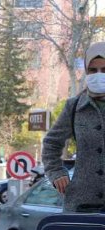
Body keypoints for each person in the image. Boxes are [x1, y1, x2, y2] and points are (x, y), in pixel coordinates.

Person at [43, 42, 105, 212]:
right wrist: (56, 172)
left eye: (104, 69)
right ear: (86, 71)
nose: (99, 75)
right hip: (82, 205)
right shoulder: (75, 107)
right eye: (93, 70)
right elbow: (51, 143)